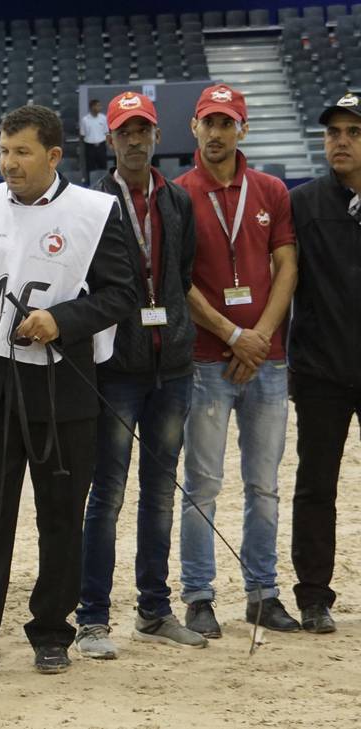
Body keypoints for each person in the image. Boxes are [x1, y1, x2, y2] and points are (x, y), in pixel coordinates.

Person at [0, 105, 137, 679]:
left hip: (63, 388)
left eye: (22, 153)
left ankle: (52, 632)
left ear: (54, 156)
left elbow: (119, 294)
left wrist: (61, 319)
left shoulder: (95, 212)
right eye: (4, 151)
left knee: (61, 518)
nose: (8, 163)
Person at [76, 91, 205, 659]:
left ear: (156, 137)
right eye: (125, 132)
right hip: (116, 369)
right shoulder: (91, 203)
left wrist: (170, 330)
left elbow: (180, 275)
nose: (135, 140)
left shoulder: (176, 202)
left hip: (172, 367)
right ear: (110, 140)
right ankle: (92, 618)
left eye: (143, 131)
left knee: (159, 494)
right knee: (106, 493)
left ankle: (154, 610)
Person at [175, 84, 300, 638]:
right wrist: (232, 333)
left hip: (268, 361)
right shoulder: (177, 194)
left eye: (227, 123)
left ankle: (262, 593)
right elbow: (176, 281)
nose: (218, 133)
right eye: (209, 122)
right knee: (201, 483)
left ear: (242, 129)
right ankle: (199, 596)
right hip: (205, 360)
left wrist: (260, 336)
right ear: (194, 129)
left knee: (264, 485)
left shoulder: (272, 190)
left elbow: (287, 267)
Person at [286, 91, 361, 634]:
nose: (340, 141)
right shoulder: (304, 203)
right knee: (316, 486)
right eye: (334, 132)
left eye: (354, 132)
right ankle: (314, 595)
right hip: (321, 372)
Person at [80, 99, 109, 177]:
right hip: (90, 147)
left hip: (101, 146)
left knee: (103, 166)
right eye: (98, 106)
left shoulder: (103, 118)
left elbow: (106, 132)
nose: (100, 107)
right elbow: (82, 135)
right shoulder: (85, 120)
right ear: (92, 107)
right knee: (90, 167)